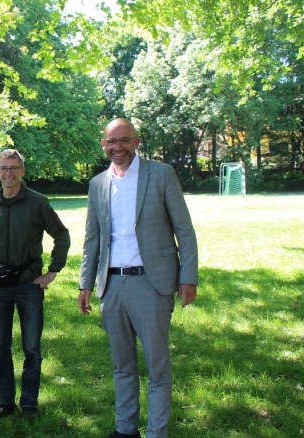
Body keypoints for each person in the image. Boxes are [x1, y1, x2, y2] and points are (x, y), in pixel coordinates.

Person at [77, 118, 198, 438]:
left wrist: (189, 276)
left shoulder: (160, 174)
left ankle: (156, 432)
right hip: (112, 285)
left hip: (152, 283)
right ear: (103, 145)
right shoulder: (98, 184)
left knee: (157, 366)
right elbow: (93, 238)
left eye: (125, 140)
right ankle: (125, 429)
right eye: (111, 142)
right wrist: (85, 283)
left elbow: (184, 230)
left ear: (137, 142)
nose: (118, 147)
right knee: (122, 365)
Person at [0, 149, 70, 419]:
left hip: (29, 285)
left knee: (31, 347)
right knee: (0, 346)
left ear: (23, 171)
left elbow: (62, 235)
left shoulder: (37, 202)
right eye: (4, 168)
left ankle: (29, 403)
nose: (9, 173)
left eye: (14, 168)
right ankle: (5, 402)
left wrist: (52, 271)